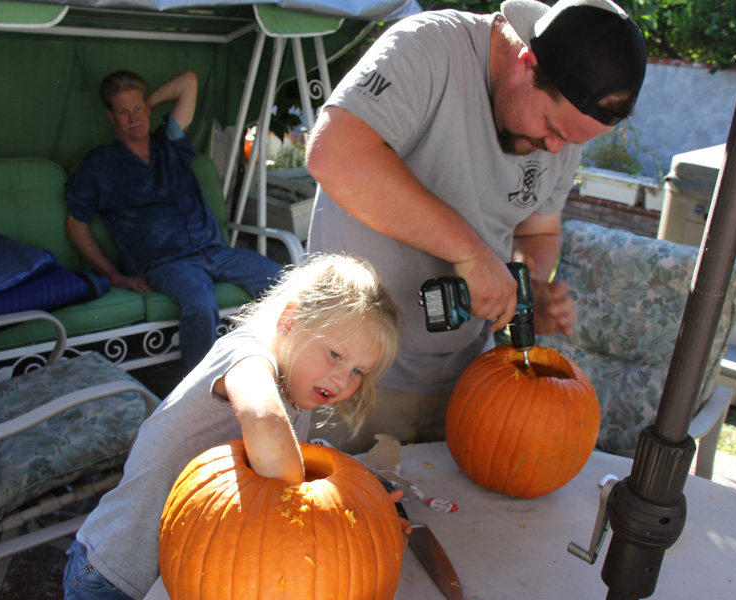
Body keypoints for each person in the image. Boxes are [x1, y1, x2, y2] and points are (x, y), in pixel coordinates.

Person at [305, 0, 647, 452]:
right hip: (352, 375)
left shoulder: (562, 131)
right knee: (335, 517)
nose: (553, 147)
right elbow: (335, 153)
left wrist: (529, 288)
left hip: (468, 381)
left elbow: (536, 232)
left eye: (570, 141)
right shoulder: (428, 49)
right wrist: (471, 251)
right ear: (528, 63)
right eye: (550, 127)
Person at [63, 253, 401, 600]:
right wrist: (329, 519)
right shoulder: (246, 357)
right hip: (116, 575)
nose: (343, 379)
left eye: (359, 371)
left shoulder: (301, 385)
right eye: (335, 355)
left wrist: (367, 522)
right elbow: (267, 428)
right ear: (289, 320)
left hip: (176, 580)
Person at [65, 69, 282, 374]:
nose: (133, 119)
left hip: (216, 251)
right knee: (201, 302)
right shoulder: (98, 164)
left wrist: (145, 106)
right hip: (166, 262)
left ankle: (274, 368)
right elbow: (75, 225)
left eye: (138, 109)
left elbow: (190, 81)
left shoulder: (170, 142)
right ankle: (198, 395)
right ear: (110, 116)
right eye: (123, 112)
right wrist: (115, 275)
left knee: (284, 283)